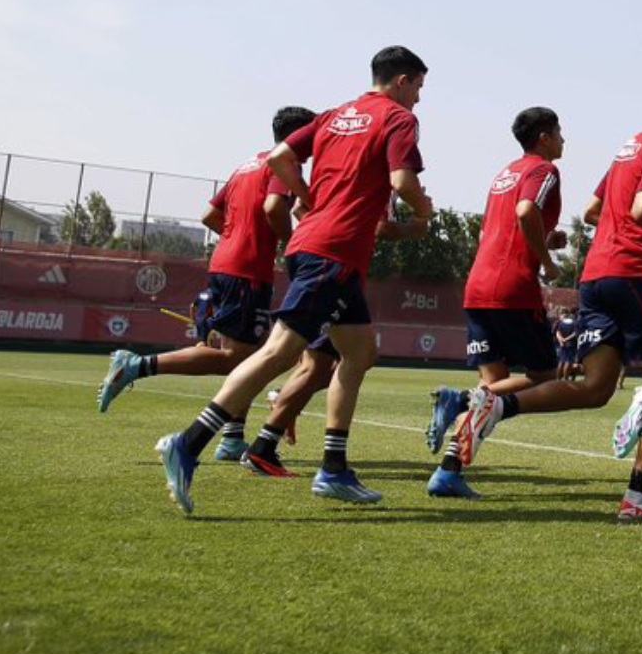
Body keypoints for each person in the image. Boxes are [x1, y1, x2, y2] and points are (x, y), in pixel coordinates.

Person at [155, 45, 434, 513]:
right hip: (334, 253)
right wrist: (425, 211)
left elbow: (280, 158)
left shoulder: (333, 115)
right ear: (403, 81)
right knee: (279, 352)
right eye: (420, 88)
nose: (419, 100)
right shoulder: (398, 119)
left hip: (318, 246)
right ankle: (188, 443)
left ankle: (334, 469)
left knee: (360, 352)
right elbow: (404, 183)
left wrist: (310, 200)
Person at [446, 83, 642, 521]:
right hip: (634, 276)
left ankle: (498, 404)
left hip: (595, 276)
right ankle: (638, 497)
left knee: (596, 389)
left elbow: (596, 211)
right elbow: (641, 208)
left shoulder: (629, 148)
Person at [98, 106, 317, 462]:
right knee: (238, 359)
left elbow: (209, 215)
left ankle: (232, 439)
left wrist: (237, 240)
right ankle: (137, 366)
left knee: (250, 355)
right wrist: (290, 246)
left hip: (226, 263)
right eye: (312, 134)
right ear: (298, 136)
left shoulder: (247, 165)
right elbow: (275, 207)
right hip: (246, 270)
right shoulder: (285, 164)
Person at [422, 107, 569, 499]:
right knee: (543, 377)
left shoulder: (505, 174)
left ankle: (449, 470)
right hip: (512, 288)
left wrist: (547, 237)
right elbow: (526, 212)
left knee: (494, 388)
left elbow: (502, 225)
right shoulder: (544, 170)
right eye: (559, 132)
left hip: (479, 284)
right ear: (544, 137)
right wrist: (548, 261)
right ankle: (460, 400)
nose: (563, 140)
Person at [555, 309, 580, 381]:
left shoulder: (561, 323)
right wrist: (566, 339)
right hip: (571, 344)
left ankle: (558, 379)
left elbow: (558, 333)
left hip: (563, 345)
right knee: (568, 362)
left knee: (561, 361)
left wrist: (561, 340)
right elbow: (575, 333)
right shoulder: (574, 323)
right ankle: (566, 379)